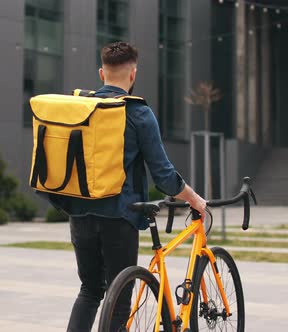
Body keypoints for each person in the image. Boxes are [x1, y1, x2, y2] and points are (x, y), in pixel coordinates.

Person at [45, 41, 206, 332]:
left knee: (90, 290)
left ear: (101, 73)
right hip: (120, 217)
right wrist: (194, 198)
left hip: (80, 214)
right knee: (119, 301)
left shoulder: (83, 110)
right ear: (133, 75)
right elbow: (164, 175)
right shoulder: (139, 113)